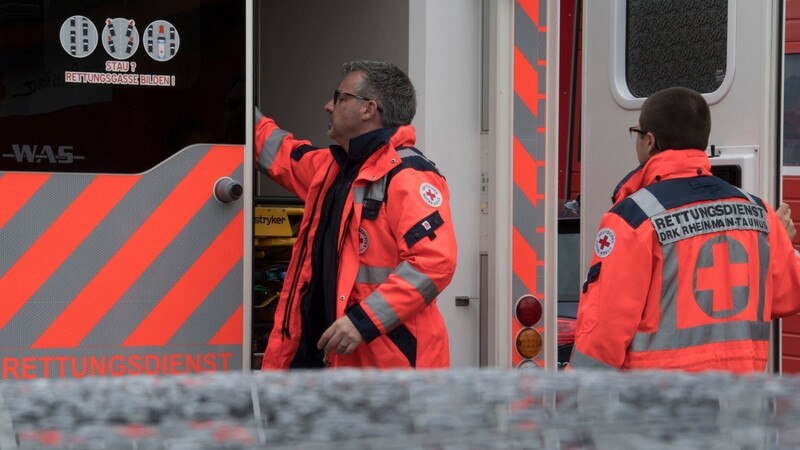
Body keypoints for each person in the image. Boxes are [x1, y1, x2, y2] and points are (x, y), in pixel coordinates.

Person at [569, 86, 800, 373]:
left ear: (649, 141)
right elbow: (786, 295)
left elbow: (604, 335)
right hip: (737, 405)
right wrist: (780, 244)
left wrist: (575, 400)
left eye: (637, 134)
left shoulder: (633, 219)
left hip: (658, 408)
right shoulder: (760, 214)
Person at [254, 60, 457, 369]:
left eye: (339, 97)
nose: (328, 106)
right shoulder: (332, 168)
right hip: (332, 361)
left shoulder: (408, 175)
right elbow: (279, 153)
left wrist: (362, 322)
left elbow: (434, 263)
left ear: (368, 109)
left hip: (387, 369)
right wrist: (244, 111)